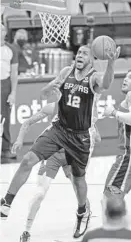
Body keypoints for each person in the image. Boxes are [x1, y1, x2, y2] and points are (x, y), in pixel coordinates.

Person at [0, 44, 120, 238]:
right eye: (78, 52)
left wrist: (112, 63)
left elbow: (106, 84)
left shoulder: (94, 77)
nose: (80, 55)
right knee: (28, 159)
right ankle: (6, 202)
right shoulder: (66, 72)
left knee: (78, 180)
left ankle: (82, 211)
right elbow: (44, 94)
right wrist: (50, 89)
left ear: (91, 59)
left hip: (80, 136)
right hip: (59, 129)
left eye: (84, 53)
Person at [103, 70, 131, 199]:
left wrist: (114, 112)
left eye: (130, 78)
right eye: (125, 76)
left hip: (127, 157)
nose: (125, 79)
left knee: (110, 199)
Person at [0, 24, 18, 160]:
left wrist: (13, 93)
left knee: (4, 118)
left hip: (4, 85)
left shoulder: (11, 49)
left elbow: (14, 74)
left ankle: (5, 149)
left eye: (1, 29)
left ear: (5, 32)